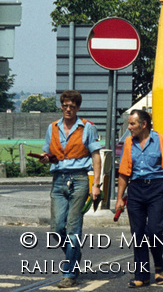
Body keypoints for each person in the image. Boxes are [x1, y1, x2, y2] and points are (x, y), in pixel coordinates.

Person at [40, 90, 103, 289]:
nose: (68, 109)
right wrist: (44, 158)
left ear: (78, 108)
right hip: (58, 179)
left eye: (72, 106)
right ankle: (73, 253)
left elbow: (96, 156)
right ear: (61, 106)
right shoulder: (53, 127)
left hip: (79, 179)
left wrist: (96, 184)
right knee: (57, 228)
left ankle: (69, 273)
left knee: (73, 228)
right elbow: (49, 153)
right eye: (65, 106)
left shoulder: (88, 127)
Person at [115, 110, 163, 288]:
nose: (129, 127)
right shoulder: (128, 142)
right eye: (129, 123)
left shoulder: (162, 141)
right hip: (135, 190)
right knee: (138, 234)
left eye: (132, 124)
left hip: (156, 188)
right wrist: (119, 197)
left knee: (154, 231)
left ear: (143, 125)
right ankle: (141, 275)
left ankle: (159, 263)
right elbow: (123, 173)